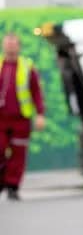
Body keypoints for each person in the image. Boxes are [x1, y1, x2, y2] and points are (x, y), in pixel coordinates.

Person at [0, 33, 45, 200]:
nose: (10, 47)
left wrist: (40, 114)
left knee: (18, 154)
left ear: (18, 47)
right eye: (7, 44)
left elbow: (36, 92)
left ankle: (12, 186)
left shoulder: (27, 67)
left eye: (13, 44)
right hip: (1, 119)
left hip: (20, 119)